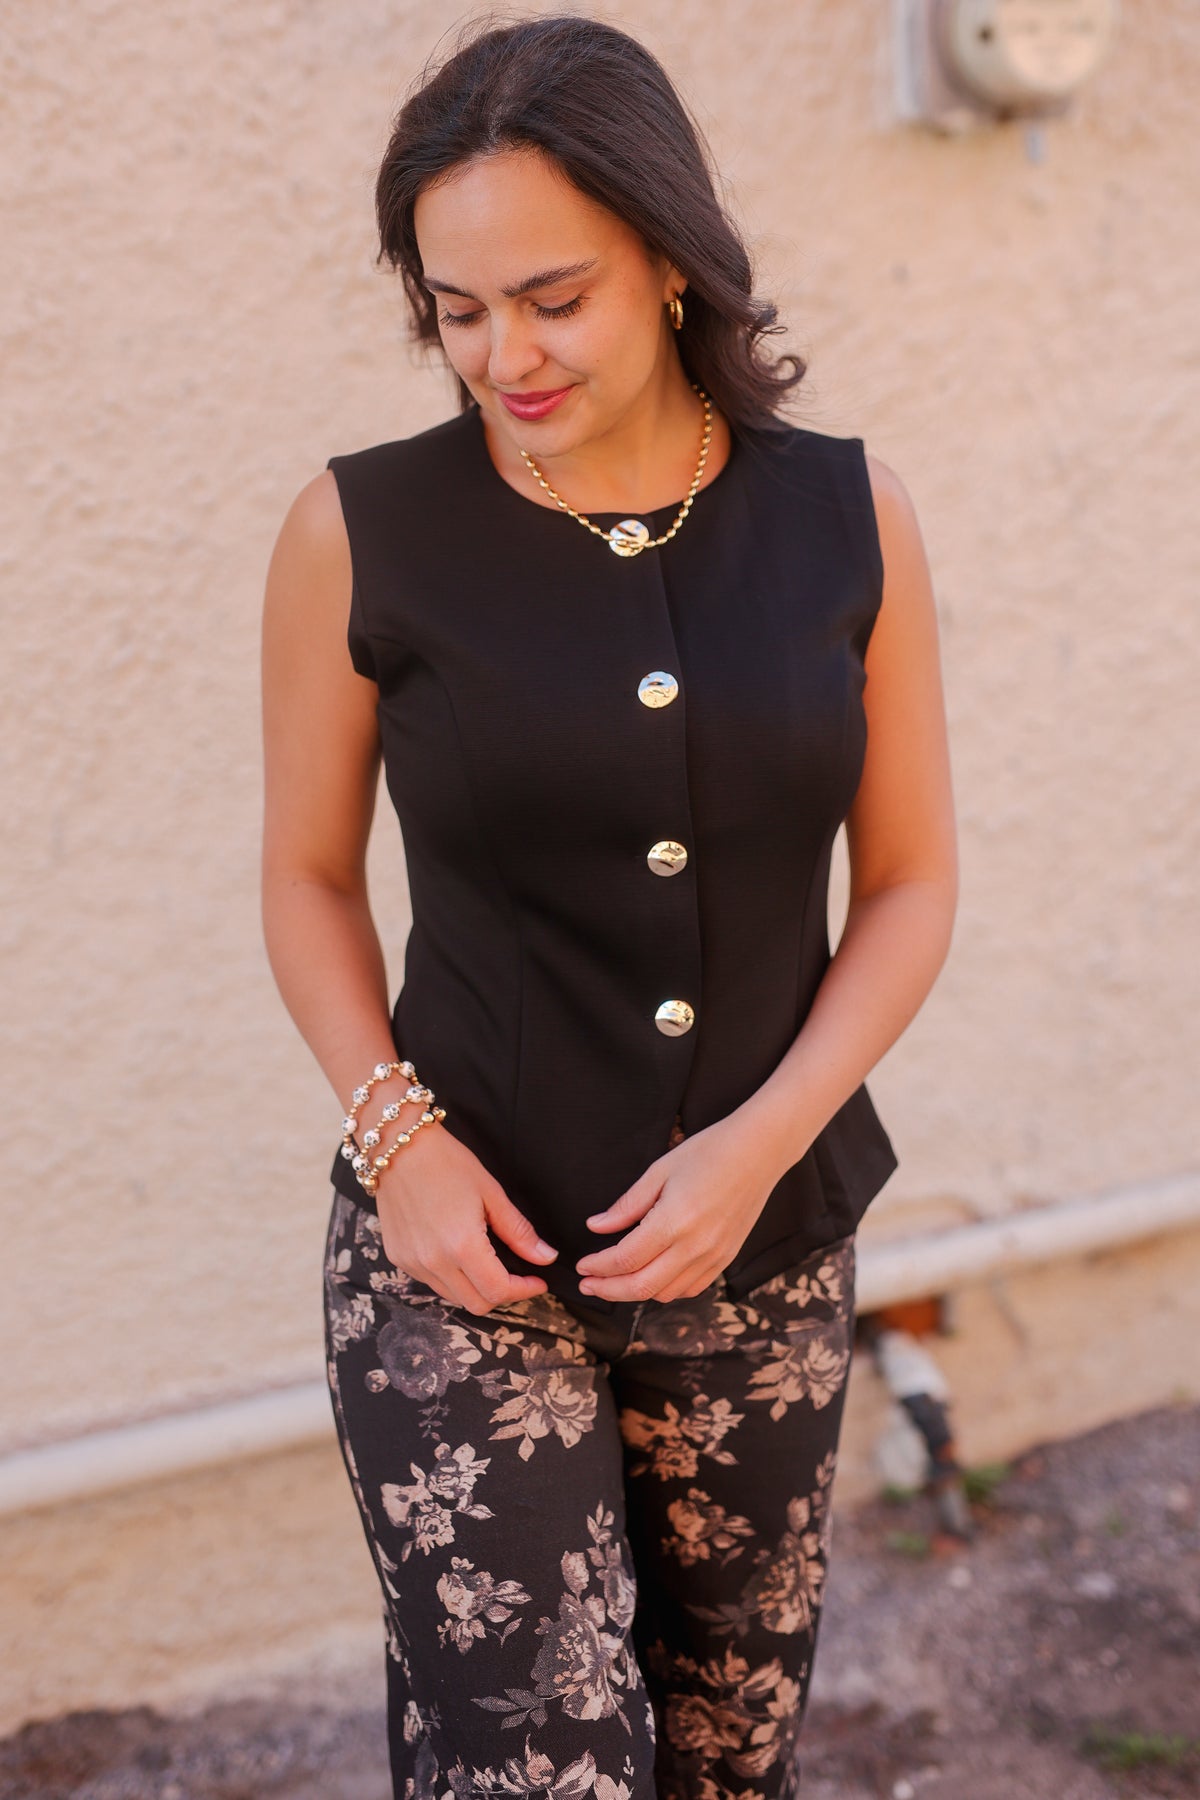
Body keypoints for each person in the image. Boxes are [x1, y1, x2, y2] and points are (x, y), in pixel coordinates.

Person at [260, 15, 957, 1800]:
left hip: (763, 1246)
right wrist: (397, 1139)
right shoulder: (361, 532)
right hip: (459, 1261)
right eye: (457, 308)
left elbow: (909, 886)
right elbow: (309, 877)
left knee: (727, 1762)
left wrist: (756, 1143)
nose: (505, 354)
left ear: (668, 256)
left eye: (550, 296)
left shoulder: (846, 516)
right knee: (540, 1771)